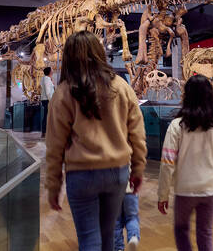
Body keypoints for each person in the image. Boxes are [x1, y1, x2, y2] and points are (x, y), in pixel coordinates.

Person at [46, 31, 147, 251]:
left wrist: (53, 185)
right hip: (117, 172)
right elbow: (137, 133)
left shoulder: (63, 93)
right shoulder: (121, 86)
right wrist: (138, 169)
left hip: (81, 175)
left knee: (89, 239)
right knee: (109, 235)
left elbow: (54, 146)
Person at [157, 75, 213, 251]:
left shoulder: (176, 126)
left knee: (181, 230)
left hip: (185, 190)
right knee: (205, 233)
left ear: (186, 96)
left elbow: (167, 163)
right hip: (210, 189)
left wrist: (163, 194)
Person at [113, 177, 140, 251]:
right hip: (131, 190)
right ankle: (133, 237)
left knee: (116, 222)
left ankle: (118, 248)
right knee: (132, 218)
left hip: (114, 191)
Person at [40, 66, 55, 137]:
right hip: (48, 100)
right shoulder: (47, 79)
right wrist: (51, 100)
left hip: (47, 100)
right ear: (50, 72)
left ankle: (45, 132)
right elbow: (48, 91)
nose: (53, 71)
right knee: (47, 117)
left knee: (47, 116)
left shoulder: (46, 79)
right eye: (52, 70)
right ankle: (45, 132)